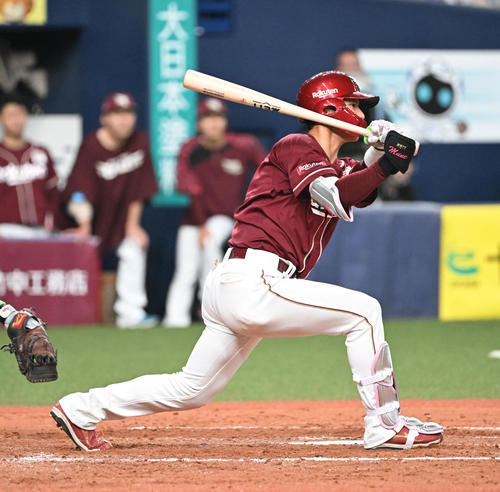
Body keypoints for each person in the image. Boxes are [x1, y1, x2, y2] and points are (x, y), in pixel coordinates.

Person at [50, 71, 443, 452]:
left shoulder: (333, 164)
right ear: (330, 109)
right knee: (364, 313)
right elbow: (337, 195)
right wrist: (387, 162)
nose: (361, 115)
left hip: (240, 282)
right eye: (354, 106)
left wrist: (382, 149)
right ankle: (384, 424)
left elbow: (360, 188)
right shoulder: (296, 146)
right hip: (254, 281)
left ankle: (80, 409)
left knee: (191, 389)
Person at [163, 97, 265, 328]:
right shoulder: (190, 149)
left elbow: (268, 168)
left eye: (219, 118)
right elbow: (192, 190)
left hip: (225, 217)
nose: (214, 123)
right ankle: (174, 319)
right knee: (186, 269)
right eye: (208, 118)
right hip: (194, 220)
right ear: (199, 123)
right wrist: (201, 225)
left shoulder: (243, 145)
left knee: (210, 244)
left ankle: (208, 307)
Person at [59, 92, 158, 328]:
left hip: (121, 219)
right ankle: (71, 315)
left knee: (134, 246)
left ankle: (131, 314)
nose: (124, 120)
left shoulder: (140, 142)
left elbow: (140, 191)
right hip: (88, 220)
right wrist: (83, 224)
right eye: (117, 114)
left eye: (129, 114)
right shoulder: (91, 145)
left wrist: (132, 225)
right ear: (104, 118)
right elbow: (79, 191)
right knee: (77, 251)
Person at [0, 95, 59, 239]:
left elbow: (54, 192)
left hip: (40, 230)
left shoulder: (40, 152)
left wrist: (51, 220)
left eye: (20, 114)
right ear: (1, 118)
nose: (16, 120)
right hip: (5, 230)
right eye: (11, 115)